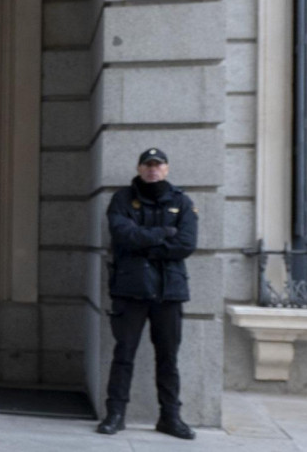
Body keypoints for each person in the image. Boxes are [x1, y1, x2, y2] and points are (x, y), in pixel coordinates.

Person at [97, 147, 198, 440]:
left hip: (169, 293)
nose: (153, 169)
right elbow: (122, 235)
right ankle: (115, 414)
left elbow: (186, 244)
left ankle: (170, 417)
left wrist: (145, 242)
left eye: (158, 164)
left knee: (168, 358)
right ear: (140, 168)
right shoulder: (122, 199)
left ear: (166, 169)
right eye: (147, 164)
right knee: (123, 355)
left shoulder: (182, 201)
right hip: (131, 291)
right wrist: (164, 233)